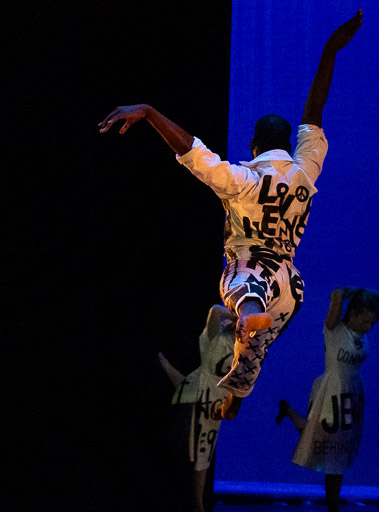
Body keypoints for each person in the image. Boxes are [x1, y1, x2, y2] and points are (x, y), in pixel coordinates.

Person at [99, 9, 364, 420]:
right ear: (285, 145)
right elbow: (314, 114)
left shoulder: (243, 179)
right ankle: (237, 390)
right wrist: (330, 50)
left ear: (254, 146)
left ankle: (249, 313)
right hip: (290, 284)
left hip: (253, 269)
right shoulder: (305, 172)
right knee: (252, 350)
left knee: (239, 288)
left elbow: (193, 151)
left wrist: (150, 112)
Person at [277, 287, 379, 512]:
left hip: (352, 393)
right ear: (353, 314)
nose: (369, 326)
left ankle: (289, 412)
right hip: (333, 391)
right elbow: (335, 298)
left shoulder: (361, 335)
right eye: (365, 321)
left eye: (371, 322)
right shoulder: (335, 330)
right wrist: (343, 294)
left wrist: (361, 292)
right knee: (332, 449)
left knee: (330, 444)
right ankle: (333, 511)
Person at [157, 306, 236, 512]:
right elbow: (215, 311)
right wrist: (238, 316)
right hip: (198, 400)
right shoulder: (214, 337)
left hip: (210, 402)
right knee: (198, 454)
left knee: (201, 454)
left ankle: (195, 507)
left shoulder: (239, 346)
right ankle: (197, 508)